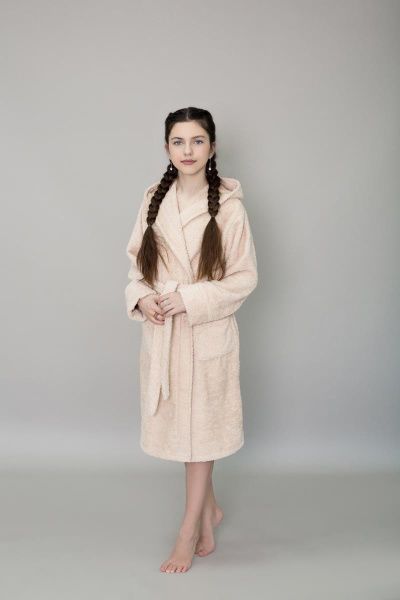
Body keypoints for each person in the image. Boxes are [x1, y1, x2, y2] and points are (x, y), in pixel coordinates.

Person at [124, 106, 258, 573]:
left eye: (197, 141)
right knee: (189, 434)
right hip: (166, 333)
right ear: (167, 148)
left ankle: (188, 529)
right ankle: (211, 510)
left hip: (206, 334)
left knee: (200, 434)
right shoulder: (153, 201)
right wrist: (143, 299)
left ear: (212, 147)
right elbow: (137, 268)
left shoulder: (230, 208)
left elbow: (244, 278)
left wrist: (190, 299)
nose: (188, 150)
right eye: (178, 142)